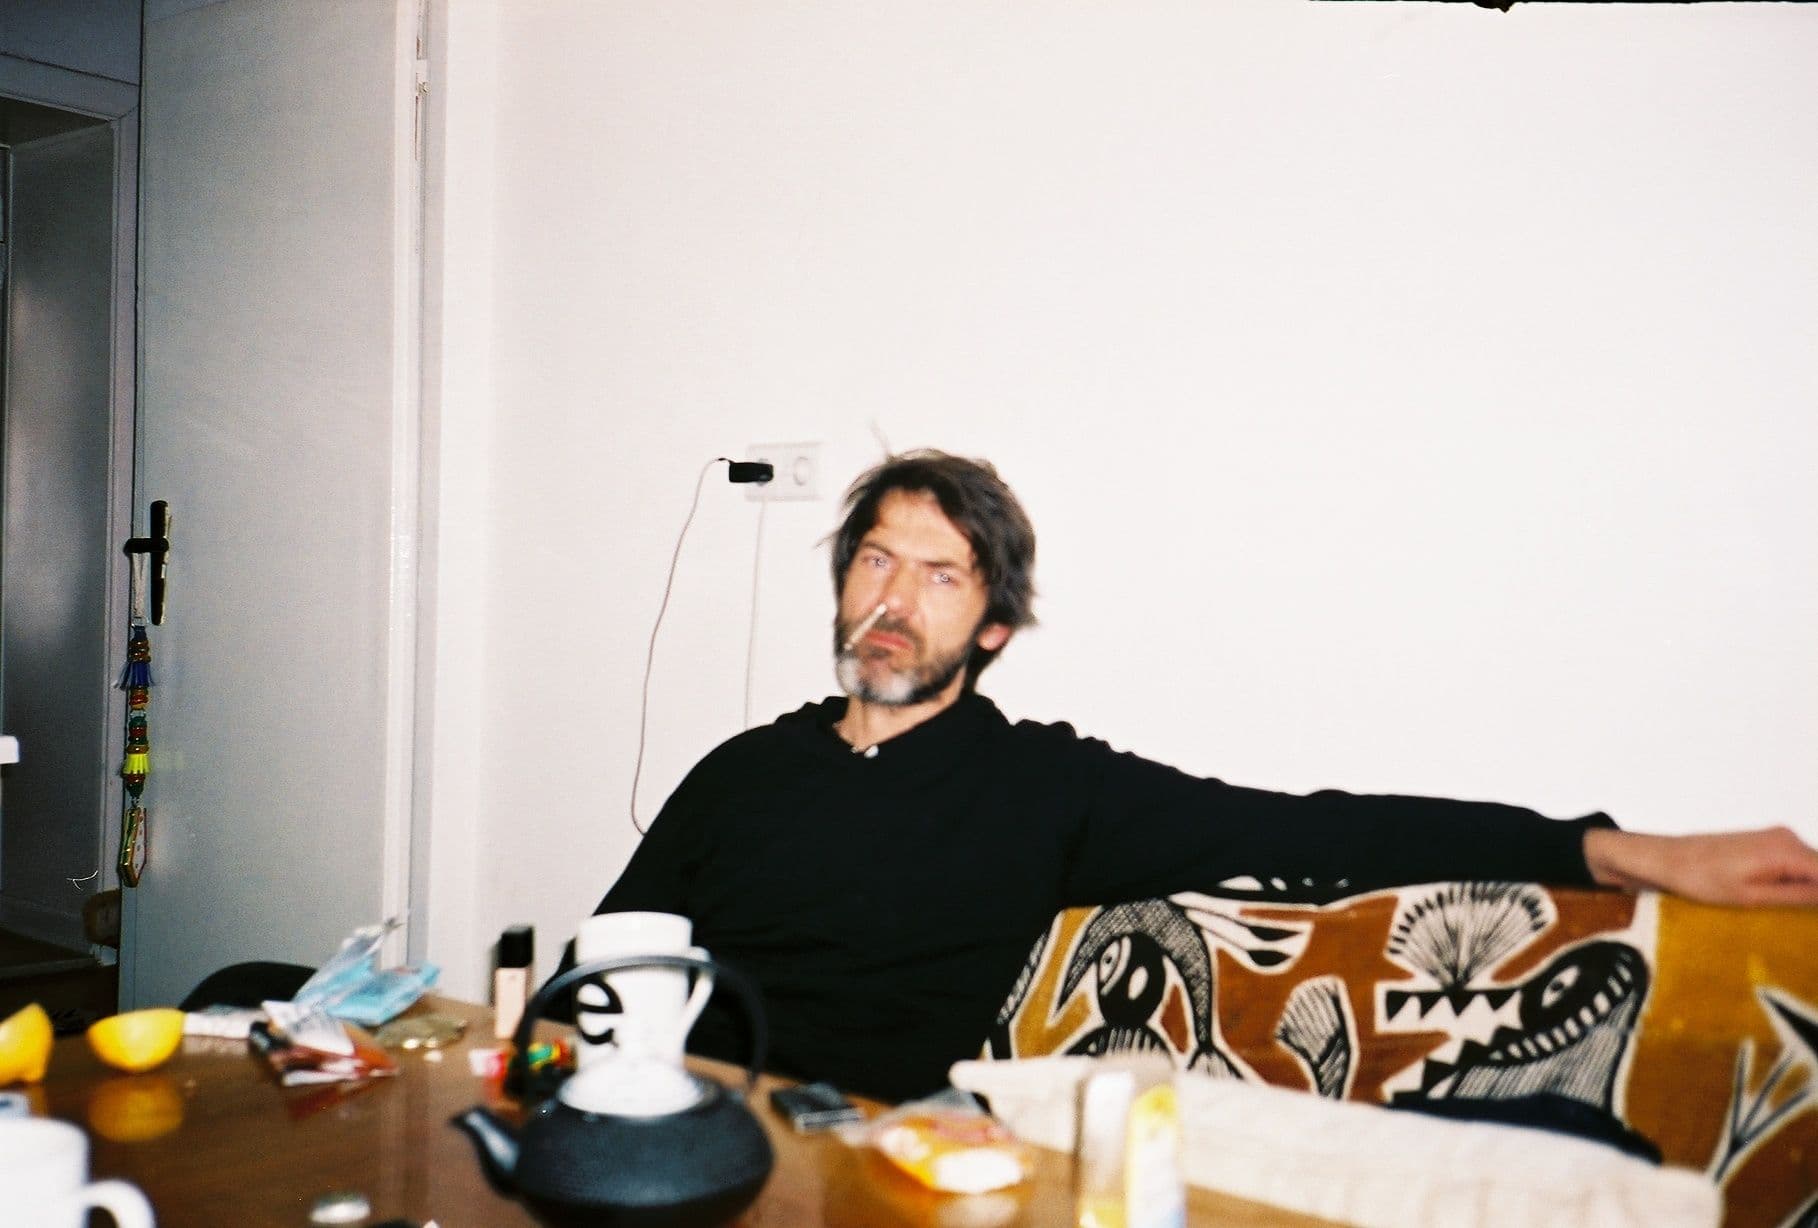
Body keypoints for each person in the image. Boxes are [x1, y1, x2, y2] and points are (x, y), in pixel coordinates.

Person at [571, 450, 1818, 1103]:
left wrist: (1614, 849)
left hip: (859, 1159)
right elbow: (597, 976)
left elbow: (1324, 832)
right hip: (660, 1126)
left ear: (993, 625)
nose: (893, 600)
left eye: (940, 574)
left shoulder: (1047, 788)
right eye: (875, 561)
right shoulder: (740, 772)